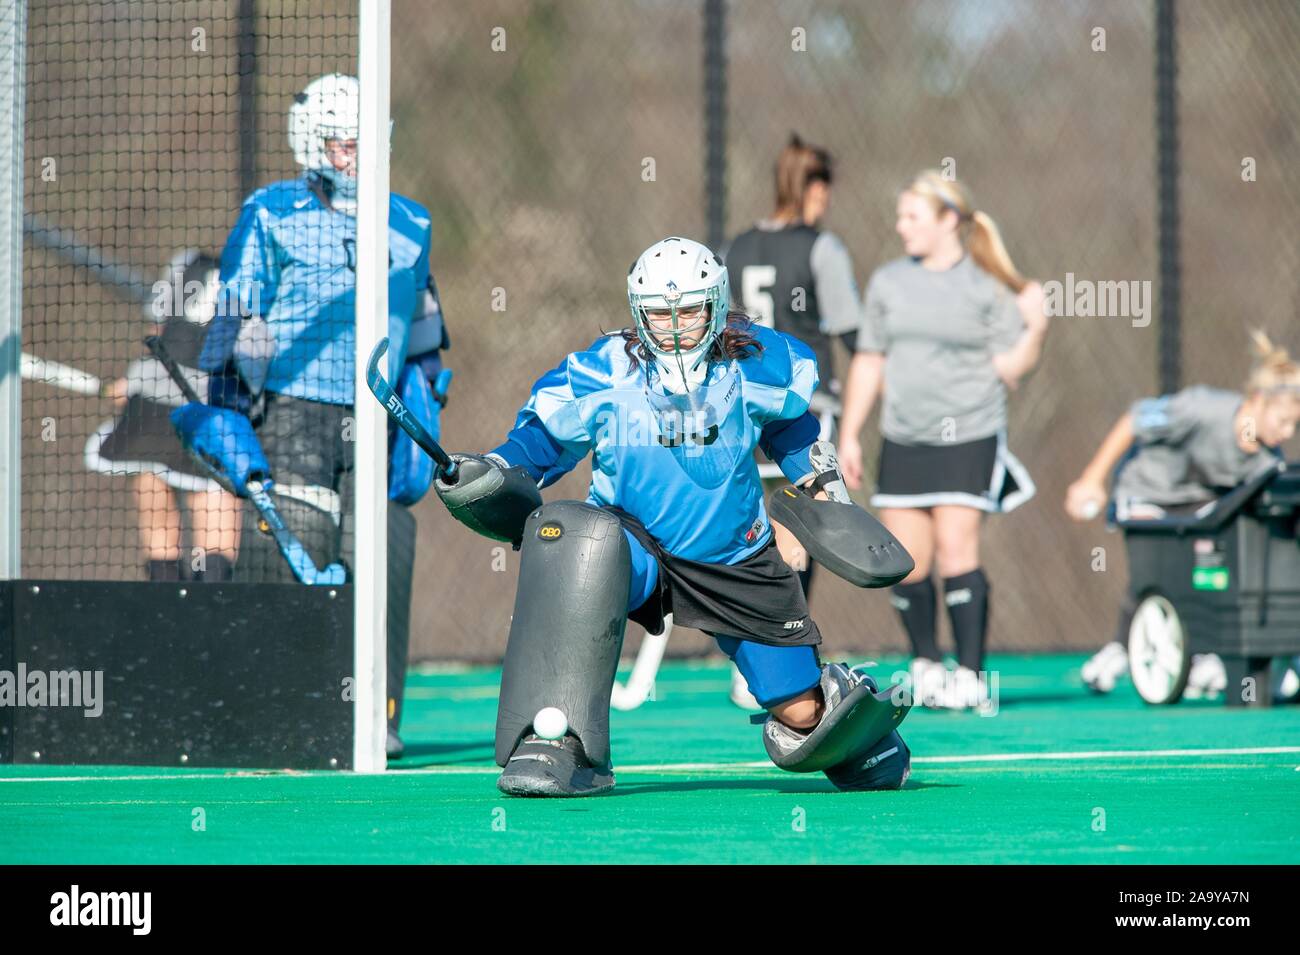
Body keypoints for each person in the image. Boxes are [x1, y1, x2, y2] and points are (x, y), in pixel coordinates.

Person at [430, 236, 913, 797]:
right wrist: (493, 468)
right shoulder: (605, 371)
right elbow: (538, 444)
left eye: (689, 312)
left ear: (716, 306)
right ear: (639, 315)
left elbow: (792, 428)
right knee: (572, 537)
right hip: (631, 547)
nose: (676, 327)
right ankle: (557, 742)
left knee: (803, 719)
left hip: (734, 557)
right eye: (661, 315)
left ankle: (844, 707)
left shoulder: (756, 362)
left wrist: (825, 490)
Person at [179, 74, 449, 758]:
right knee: (293, 552)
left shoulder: (411, 221)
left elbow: (424, 338)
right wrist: (227, 411)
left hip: (379, 415)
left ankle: (376, 715)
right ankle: (273, 706)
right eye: (342, 144)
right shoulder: (271, 213)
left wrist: (424, 410)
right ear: (313, 144)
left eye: (368, 144)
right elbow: (234, 318)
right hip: (295, 412)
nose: (357, 158)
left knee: (381, 554)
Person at [838, 170, 1048, 710]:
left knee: (958, 548)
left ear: (948, 220)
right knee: (909, 559)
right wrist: (850, 434)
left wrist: (1036, 330)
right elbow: (870, 358)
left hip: (970, 433)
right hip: (904, 437)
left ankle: (972, 675)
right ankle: (927, 664)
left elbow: (1011, 367)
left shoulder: (986, 284)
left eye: (913, 216)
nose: (900, 225)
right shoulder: (888, 282)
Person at [1066, 331, 1300, 699]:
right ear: (1257, 400)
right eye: (1282, 421)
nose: (1286, 432)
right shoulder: (1201, 409)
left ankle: (1204, 647)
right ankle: (1121, 647)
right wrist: (1091, 479)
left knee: (1213, 562)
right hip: (1146, 491)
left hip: (1198, 505)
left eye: (1294, 426)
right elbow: (1134, 420)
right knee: (1156, 570)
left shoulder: (1267, 460)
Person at [723, 134, 862, 708]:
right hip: (801, 414)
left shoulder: (735, 247)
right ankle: (783, 649)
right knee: (803, 532)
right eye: (824, 187)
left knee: (748, 530)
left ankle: (748, 657)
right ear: (813, 187)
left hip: (740, 409)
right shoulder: (822, 249)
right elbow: (854, 335)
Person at [86, 250, 241, 582]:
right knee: (207, 507)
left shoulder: (189, 262)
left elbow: (158, 334)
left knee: (164, 508)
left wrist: (135, 382)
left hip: (163, 410)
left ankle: (172, 603)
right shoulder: (255, 272)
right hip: (201, 413)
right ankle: (203, 605)